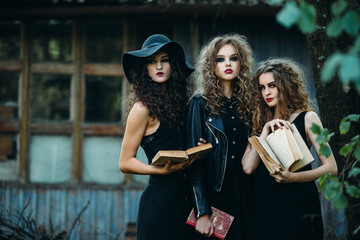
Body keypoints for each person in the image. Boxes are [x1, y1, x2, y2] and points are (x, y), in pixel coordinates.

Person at [242, 58, 338, 240]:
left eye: (272, 85)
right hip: (266, 207)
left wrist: (292, 177)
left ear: (285, 85)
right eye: (262, 88)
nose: (266, 92)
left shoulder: (308, 118)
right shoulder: (257, 123)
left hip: (299, 205)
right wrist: (265, 130)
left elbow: (331, 167)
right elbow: (247, 167)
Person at [119, 34, 197, 240]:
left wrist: (199, 147)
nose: (159, 66)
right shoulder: (142, 109)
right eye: (152, 61)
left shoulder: (183, 105)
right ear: (145, 69)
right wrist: (158, 170)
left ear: (174, 65)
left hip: (187, 201)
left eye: (165, 60)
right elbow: (125, 162)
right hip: (159, 203)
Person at [186, 33, 255, 239]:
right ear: (211, 65)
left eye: (234, 58)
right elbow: (193, 162)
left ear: (241, 63)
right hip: (216, 193)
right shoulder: (200, 104)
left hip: (248, 193)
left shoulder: (250, 103)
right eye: (220, 59)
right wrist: (202, 211)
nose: (228, 64)